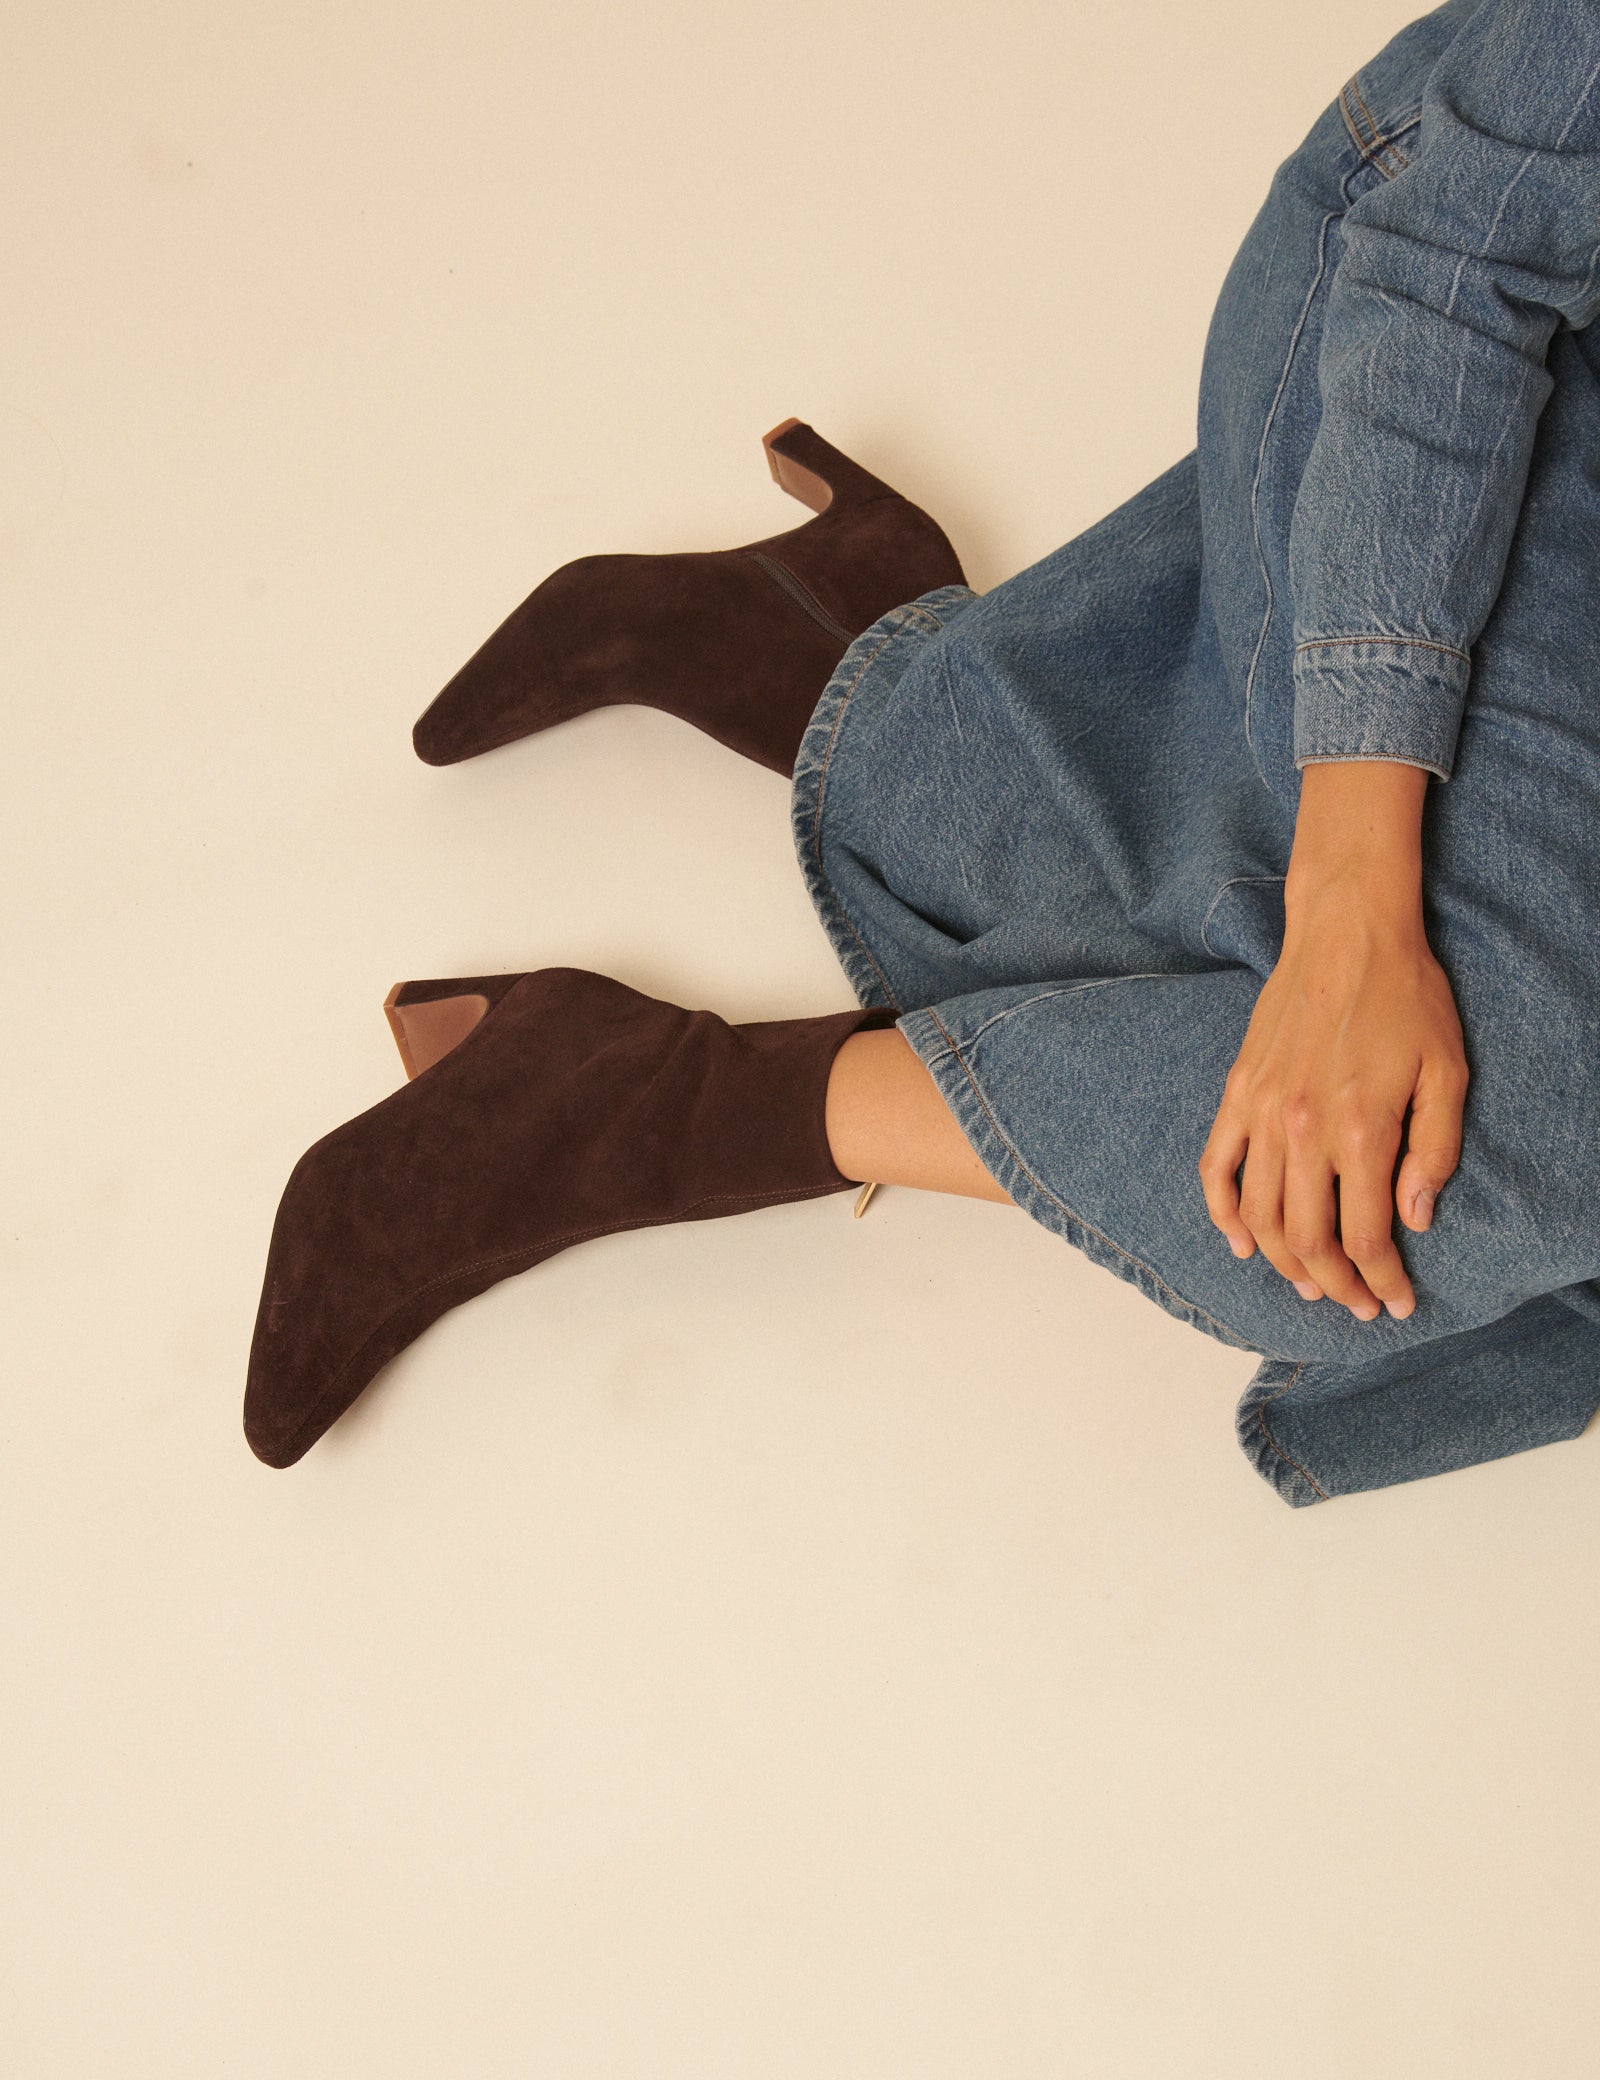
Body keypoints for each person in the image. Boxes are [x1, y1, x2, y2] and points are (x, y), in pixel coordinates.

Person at [245, 0, 1600, 1503]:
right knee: (1476, 1138)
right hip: (1460, 310)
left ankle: (850, 653)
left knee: (1486, 1096)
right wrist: (1355, 906)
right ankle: (626, 1103)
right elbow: (1456, 266)